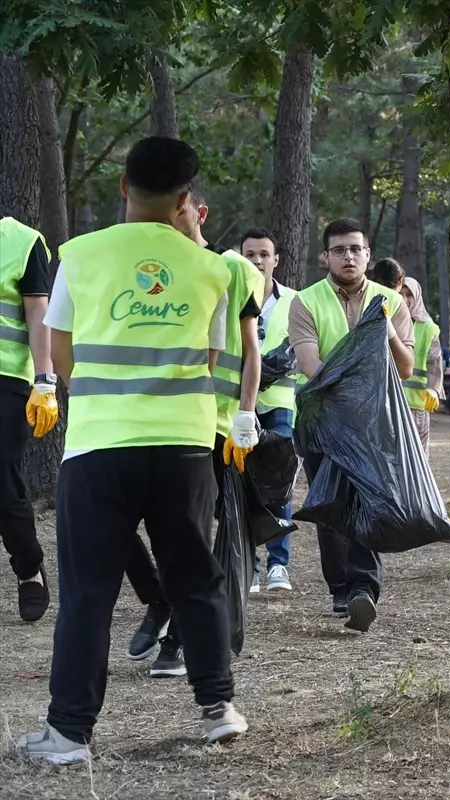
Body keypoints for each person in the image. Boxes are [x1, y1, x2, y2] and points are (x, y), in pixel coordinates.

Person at [18, 136, 248, 764]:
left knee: (89, 592)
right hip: (184, 447)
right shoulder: (213, 270)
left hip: (100, 444)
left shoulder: (81, 255)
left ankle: (68, 735)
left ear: (123, 186)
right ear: (185, 201)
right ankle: (218, 708)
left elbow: (58, 348)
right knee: (196, 576)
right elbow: (210, 355)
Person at [122, 183, 263, 678]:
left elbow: (250, 351)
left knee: (190, 535)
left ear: (198, 212)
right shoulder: (152, 271)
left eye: (177, 210)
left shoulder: (231, 268)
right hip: (152, 419)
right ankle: (159, 600)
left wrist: (246, 414)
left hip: (213, 423)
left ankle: (176, 643)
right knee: (119, 525)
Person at [289, 218, 414, 633]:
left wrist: (383, 328)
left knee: (367, 498)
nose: (348, 256)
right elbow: (310, 364)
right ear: (325, 256)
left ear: (367, 255)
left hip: (374, 423)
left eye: (355, 249)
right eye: (339, 250)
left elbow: (406, 366)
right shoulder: (306, 302)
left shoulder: (390, 302)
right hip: (322, 421)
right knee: (329, 505)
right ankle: (340, 587)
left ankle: (363, 588)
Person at [0, 217, 55, 623]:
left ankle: (28, 567)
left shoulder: (22, 242)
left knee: (4, 482)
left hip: (6, 379)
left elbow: (39, 315)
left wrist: (44, 379)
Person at [243, 226, 299, 593]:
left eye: (264, 254)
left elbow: (303, 344)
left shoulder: (295, 300)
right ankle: (249, 563)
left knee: (280, 483)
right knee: (243, 482)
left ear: (276, 259)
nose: (258, 261)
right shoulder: (230, 296)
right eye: (251, 255)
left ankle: (279, 564)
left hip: (279, 402)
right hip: (241, 402)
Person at [399, 277, 443, 451]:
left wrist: (433, 389)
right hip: (391, 404)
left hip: (418, 405)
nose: (404, 299)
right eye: (400, 293)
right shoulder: (386, 323)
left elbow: (435, 362)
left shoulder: (428, 328)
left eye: (409, 295)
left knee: (418, 457)